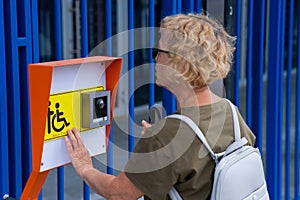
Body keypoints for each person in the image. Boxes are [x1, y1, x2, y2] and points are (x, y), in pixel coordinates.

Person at [64, 13, 256, 199]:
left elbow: (119, 194)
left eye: (158, 52)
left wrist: (85, 168)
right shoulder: (230, 111)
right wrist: (159, 149)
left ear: (178, 62)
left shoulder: (168, 135)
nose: (155, 59)